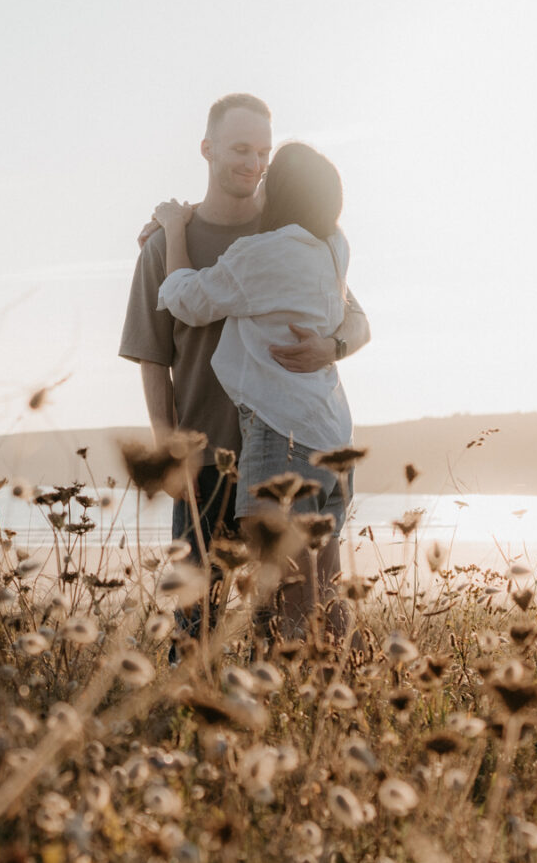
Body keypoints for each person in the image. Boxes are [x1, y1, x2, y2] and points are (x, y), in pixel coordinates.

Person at [118, 94, 368, 582]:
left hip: (285, 447)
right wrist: (168, 449)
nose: (254, 164)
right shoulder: (165, 246)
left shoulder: (290, 236)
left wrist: (331, 347)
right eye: (240, 150)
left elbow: (356, 319)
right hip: (204, 461)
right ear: (208, 149)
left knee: (287, 622)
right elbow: (153, 356)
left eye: (263, 153)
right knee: (196, 627)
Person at [151, 140, 355, 643]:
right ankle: (339, 692)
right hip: (332, 435)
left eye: (267, 173)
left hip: (280, 438)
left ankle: (282, 704)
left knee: (280, 589)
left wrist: (174, 231)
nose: (256, 176)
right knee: (325, 588)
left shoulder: (261, 255)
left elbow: (186, 300)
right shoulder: (334, 248)